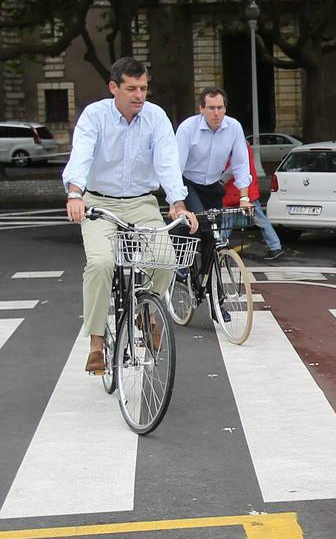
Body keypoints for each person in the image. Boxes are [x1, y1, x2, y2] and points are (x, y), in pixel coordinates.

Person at [63, 56, 198, 374]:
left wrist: (178, 202)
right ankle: (97, 344)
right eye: (132, 88)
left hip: (142, 203)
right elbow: (81, 155)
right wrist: (74, 193)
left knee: (165, 257)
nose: (139, 95)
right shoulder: (95, 116)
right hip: (98, 201)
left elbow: (167, 161)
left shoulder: (156, 117)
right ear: (114, 88)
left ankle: (146, 312)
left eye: (144, 88)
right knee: (101, 263)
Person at [176, 86, 253, 216]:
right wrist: (176, 201)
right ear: (201, 109)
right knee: (201, 223)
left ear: (225, 108)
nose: (216, 113)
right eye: (211, 108)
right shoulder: (187, 128)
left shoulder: (234, 127)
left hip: (213, 185)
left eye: (220, 107)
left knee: (215, 229)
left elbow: (241, 164)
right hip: (189, 183)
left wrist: (244, 198)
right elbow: (176, 166)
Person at [222, 143, 284, 261]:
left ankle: (220, 244)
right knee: (259, 219)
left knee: (227, 221)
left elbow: (232, 169)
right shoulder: (242, 145)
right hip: (245, 191)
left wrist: (220, 181)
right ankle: (275, 246)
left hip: (236, 190)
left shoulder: (235, 146)